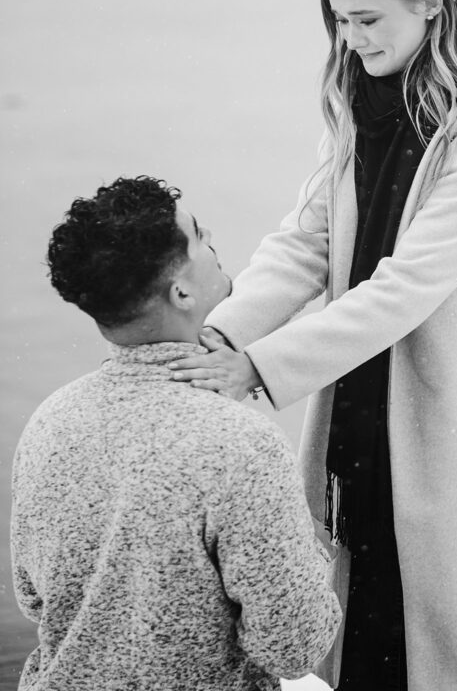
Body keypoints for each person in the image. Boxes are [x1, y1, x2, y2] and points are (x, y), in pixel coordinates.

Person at [170, 0, 457, 691]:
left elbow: (406, 286)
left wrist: (260, 368)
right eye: (341, 21)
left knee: (451, 650)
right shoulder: (360, 106)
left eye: (368, 19)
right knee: (367, 644)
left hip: (451, 421)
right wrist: (217, 338)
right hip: (359, 405)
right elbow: (304, 243)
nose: (352, 39)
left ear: (430, 3)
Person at [11, 176, 341, 691]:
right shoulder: (238, 443)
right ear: (181, 291)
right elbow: (294, 646)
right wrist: (310, 548)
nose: (212, 238)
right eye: (199, 236)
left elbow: (33, 598)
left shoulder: (50, 421)